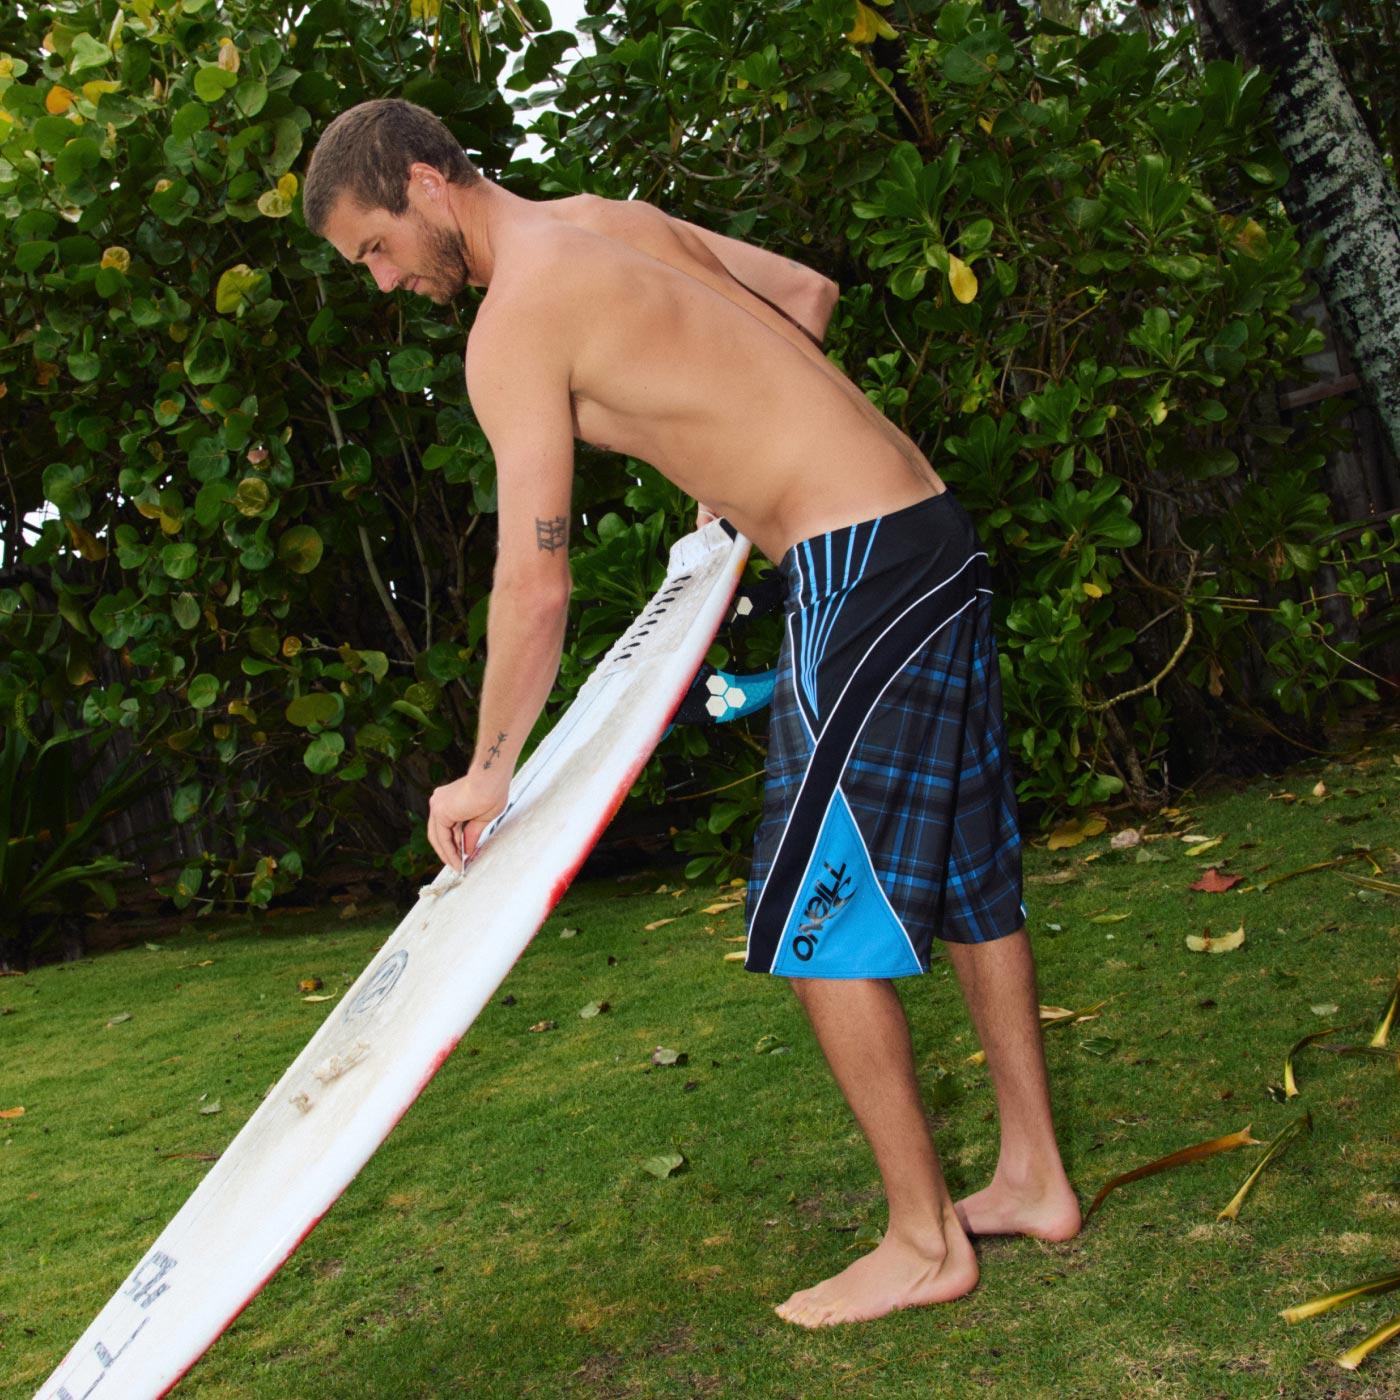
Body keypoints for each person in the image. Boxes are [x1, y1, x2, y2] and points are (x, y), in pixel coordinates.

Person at [303, 98, 1080, 1329]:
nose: (387, 282)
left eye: (376, 250)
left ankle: (925, 1237)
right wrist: (729, 486)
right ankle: (1031, 1173)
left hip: (855, 570)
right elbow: (806, 299)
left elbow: (535, 578)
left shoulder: (513, 324)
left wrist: (486, 768)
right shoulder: (607, 223)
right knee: (973, 872)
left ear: (421, 181)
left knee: (803, 913)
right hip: (924, 531)